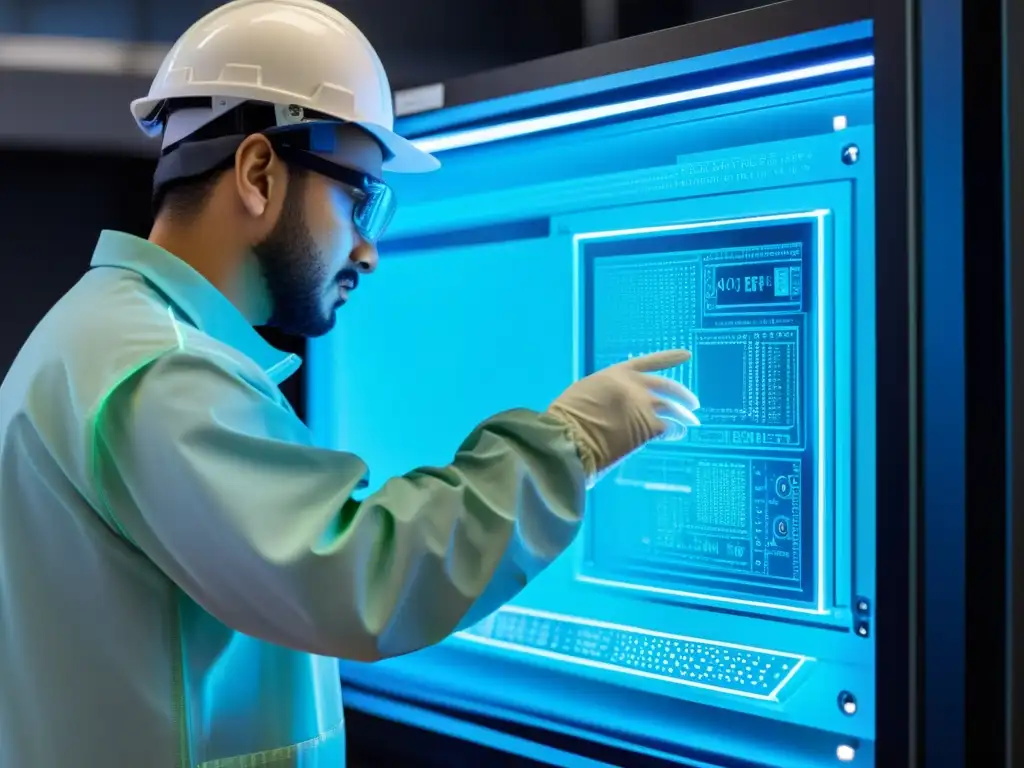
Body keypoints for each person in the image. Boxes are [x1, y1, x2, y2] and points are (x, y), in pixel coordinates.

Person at [0, 1, 700, 766]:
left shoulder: (104, 333)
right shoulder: (157, 368)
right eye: (359, 199)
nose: (367, 250)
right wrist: (567, 446)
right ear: (259, 172)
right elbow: (358, 573)